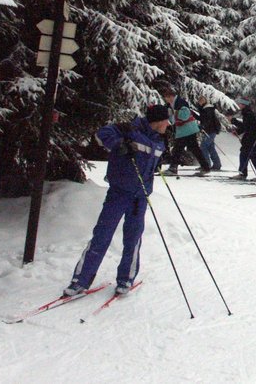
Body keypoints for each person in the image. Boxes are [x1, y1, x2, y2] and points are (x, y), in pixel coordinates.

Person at [64, 104, 170, 297]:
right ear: (158, 121)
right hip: (119, 193)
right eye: (166, 120)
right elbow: (101, 134)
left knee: (133, 238)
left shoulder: (160, 141)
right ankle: (80, 281)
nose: (168, 124)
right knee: (102, 235)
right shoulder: (130, 130)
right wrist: (118, 144)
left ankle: (126, 279)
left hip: (140, 197)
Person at [162, 88, 209, 176]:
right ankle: (205, 167)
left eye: (167, 98)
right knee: (194, 149)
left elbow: (185, 115)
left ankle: (173, 168)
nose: (166, 100)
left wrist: (174, 113)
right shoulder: (173, 103)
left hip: (186, 130)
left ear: (171, 96)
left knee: (177, 149)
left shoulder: (180, 102)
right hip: (187, 130)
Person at [230, 98, 256, 182]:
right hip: (251, 138)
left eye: (240, 104)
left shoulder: (248, 113)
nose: (239, 105)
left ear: (244, 105)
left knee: (253, 156)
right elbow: (247, 126)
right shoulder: (247, 113)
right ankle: (243, 173)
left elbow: (247, 126)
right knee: (245, 155)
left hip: (252, 138)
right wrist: (238, 132)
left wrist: (233, 121)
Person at [197, 95, 222, 171]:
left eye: (202, 100)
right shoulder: (205, 109)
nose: (200, 102)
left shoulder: (207, 109)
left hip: (210, 131)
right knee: (211, 148)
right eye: (199, 100)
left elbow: (208, 120)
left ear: (205, 101)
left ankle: (206, 164)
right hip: (210, 130)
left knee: (203, 147)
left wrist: (203, 126)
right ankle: (217, 164)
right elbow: (202, 118)